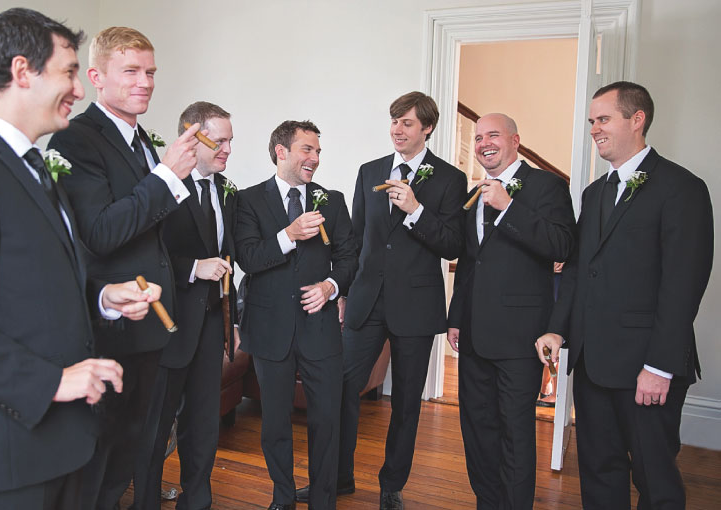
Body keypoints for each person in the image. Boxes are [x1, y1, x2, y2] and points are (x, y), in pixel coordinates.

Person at [0, 8, 161, 510]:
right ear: (22, 72)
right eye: (68, 72)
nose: (79, 90)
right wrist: (52, 382)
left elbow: (43, 281)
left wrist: (105, 297)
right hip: (9, 452)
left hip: (67, 442)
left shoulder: (37, 166)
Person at [536, 81, 714, 509]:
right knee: (599, 469)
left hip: (646, 367)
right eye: (592, 121)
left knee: (655, 479)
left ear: (638, 120)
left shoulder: (681, 187)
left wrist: (660, 366)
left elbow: (683, 285)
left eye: (603, 119)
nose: (594, 129)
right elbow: (579, 271)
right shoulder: (594, 193)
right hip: (593, 362)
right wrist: (558, 331)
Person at [47, 26, 200, 510]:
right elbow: (101, 232)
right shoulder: (76, 140)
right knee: (96, 462)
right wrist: (167, 176)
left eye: (150, 72)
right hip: (109, 328)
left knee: (128, 456)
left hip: (152, 325)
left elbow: (152, 228)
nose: (146, 82)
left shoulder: (140, 141)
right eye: (131, 70)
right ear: (96, 76)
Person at [297, 91, 466, 510]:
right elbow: (354, 241)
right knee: (340, 389)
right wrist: (345, 291)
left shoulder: (449, 179)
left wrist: (415, 210)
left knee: (406, 403)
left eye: (407, 123)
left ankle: (392, 486)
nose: (397, 130)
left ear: (426, 128)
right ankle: (337, 478)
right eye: (394, 121)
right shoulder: (368, 171)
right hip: (366, 302)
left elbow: (452, 245)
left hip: (417, 308)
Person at [447, 113, 575, 509]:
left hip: (521, 336)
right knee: (477, 428)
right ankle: (488, 501)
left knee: (515, 432)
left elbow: (562, 246)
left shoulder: (548, 186)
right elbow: (471, 262)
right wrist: (455, 319)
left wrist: (508, 207)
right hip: (472, 333)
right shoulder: (473, 193)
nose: (484, 142)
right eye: (478, 136)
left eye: (493, 135)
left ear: (515, 140)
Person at [234, 120, 357, 510]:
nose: (315, 158)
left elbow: (350, 257)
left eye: (318, 151)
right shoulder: (248, 201)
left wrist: (331, 287)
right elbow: (249, 258)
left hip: (320, 330)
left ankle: (324, 501)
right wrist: (289, 235)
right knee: (274, 424)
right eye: (307, 149)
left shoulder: (331, 200)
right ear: (281, 151)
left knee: (326, 421)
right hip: (270, 330)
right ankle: (282, 497)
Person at [132, 101, 237, 510]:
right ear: (194, 136)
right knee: (156, 427)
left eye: (231, 140)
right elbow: (143, 260)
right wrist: (195, 267)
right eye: (221, 140)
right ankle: (144, 502)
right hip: (168, 324)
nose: (228, 149)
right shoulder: (161, 187)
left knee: (204, 423)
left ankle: (198, 500)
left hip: (212, 325)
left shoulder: (226, 192)